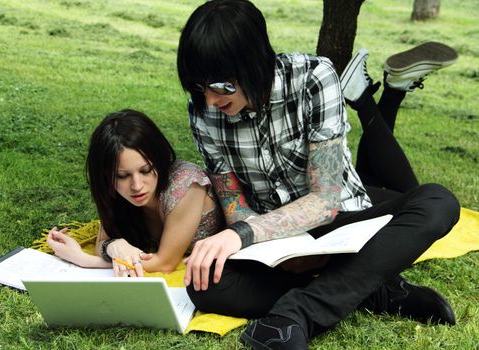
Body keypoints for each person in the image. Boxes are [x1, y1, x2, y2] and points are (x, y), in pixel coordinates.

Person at [176, 1, 460, 349]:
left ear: (253, 63)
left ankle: (297, 314)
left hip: (343, 224)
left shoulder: (314, 77)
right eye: (198, 88)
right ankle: (370, 290)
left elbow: (325, 200)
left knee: (438, 202)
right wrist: (260, 242)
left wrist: (244, 234)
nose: (209, 101)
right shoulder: (203, 114)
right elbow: (234, 203)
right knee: (204, 286)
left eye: (220, 86)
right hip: (275, 244)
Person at [46, 109, 225, 277]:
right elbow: (102, 242)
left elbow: (164, 264)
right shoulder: (113, 190)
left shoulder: (187, 184)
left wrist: (83, 259)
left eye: (146, 170)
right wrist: (115, 246)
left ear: (159, 159)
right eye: (122, 176)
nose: (137, 185)